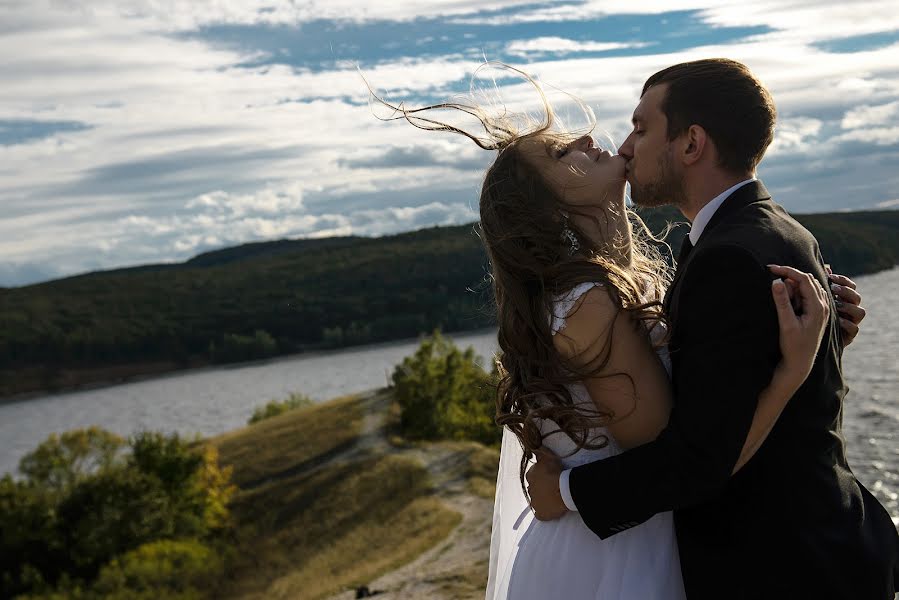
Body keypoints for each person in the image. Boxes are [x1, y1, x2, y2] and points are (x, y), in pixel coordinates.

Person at [368, 62, 866, 598]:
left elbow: (703, 413)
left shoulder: (670, 266)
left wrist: (806, 354)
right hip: (618, 556)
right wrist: (794, 369)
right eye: (562, 153)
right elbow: (684, 457)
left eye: (641, 127)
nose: (598, 139)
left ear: (692, 142)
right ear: (551, 206)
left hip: (709, 542)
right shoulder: (589, 301)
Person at [524, 58, 899, 599]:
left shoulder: (731, 255)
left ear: (692, 143)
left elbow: (700, 456)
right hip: (817, 543)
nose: (626, 146)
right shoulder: (760, 232)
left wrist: (565, 491)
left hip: (784, 567)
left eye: (641, 127)